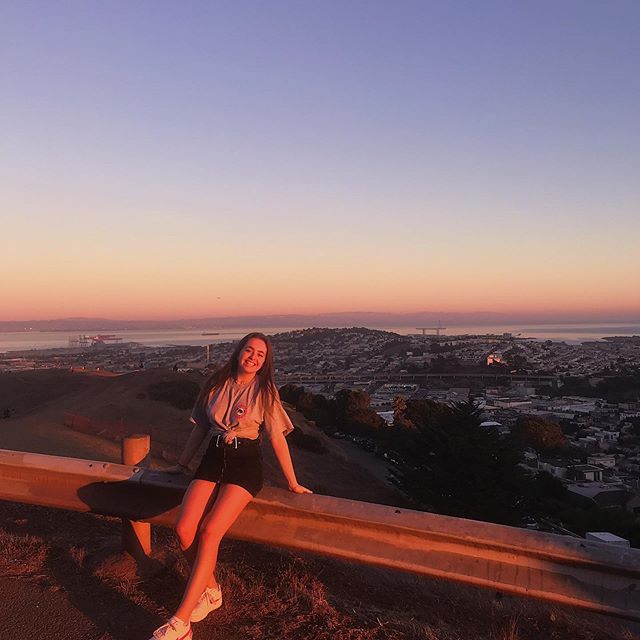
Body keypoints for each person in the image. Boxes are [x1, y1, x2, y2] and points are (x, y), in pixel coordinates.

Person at [149, 332, 311, 640]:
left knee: (210, 531)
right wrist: (182, 464)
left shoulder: (265, 390)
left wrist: (292, 482)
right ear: (239, 352)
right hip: (213, 457)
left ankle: (180, 623)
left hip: (245, 462)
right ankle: (210, 590)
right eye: (249, 350)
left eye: (260, 354)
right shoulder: (215, 382)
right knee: (184, 529)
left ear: (265, 362)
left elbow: (276, 436)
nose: (253, 356)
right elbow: (200, 428)